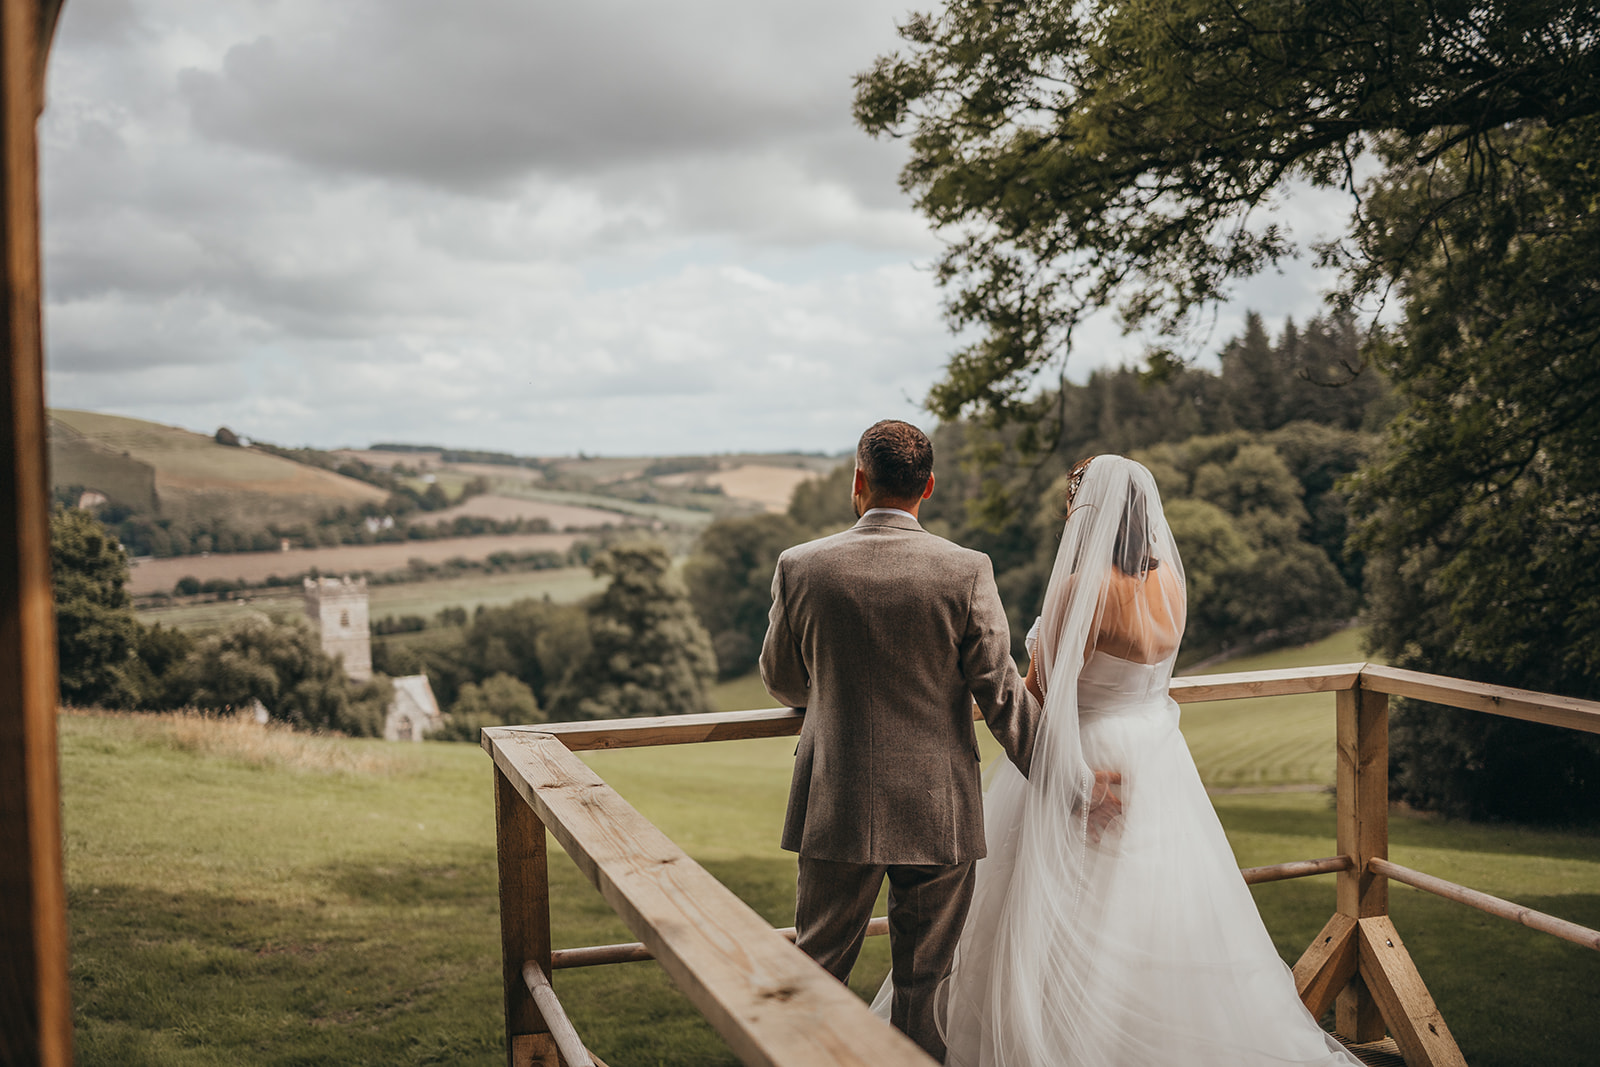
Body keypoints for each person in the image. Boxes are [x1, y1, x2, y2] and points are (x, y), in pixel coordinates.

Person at [898, 454, 1363, 1066]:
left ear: (1086, 510)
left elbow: (1039, 694)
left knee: (1059, 908)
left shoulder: (1081, 588)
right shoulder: (1170, 580)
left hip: (1088, 756)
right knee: (1157, 904)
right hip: (1155, 751)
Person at [761, 420, 1118, 1061]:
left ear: (858, 483)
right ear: (928, 486)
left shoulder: (800, 566)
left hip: (836, 800)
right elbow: (1002, 695)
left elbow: (785, 683)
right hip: (937, 808)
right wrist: (1074, 785)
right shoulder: (966, 569)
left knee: (815, 975)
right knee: (923, 990)